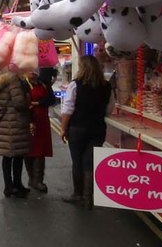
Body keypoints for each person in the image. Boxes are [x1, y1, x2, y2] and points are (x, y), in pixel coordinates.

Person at [60, 56, 112, 209]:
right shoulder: (107, 86)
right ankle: (88, 197)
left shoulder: (75, 85)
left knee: (77, 162)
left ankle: (78, 195)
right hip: (97, 128)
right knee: (89, 163)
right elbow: (109, 109)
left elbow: (68, 109)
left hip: (77, 128)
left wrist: (63, 129)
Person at [0, 68, 32, 198]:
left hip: (3, 120)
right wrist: (27, 95)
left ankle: (8, 186)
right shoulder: (14, 81)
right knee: (18, 156)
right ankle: (17, 185)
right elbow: (19, 103)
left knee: (6, 156)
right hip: (15, 121)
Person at [26, 68, 58, 193]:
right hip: (27, 119)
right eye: (30, 70)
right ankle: (31, 178)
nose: (33, 73)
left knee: (40, 150)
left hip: (42, 120)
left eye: (35, 71)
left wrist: (37, 102)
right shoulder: (23, 84)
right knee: (29, 150)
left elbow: (51, 100)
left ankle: (38, 180)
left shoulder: (44, 84)